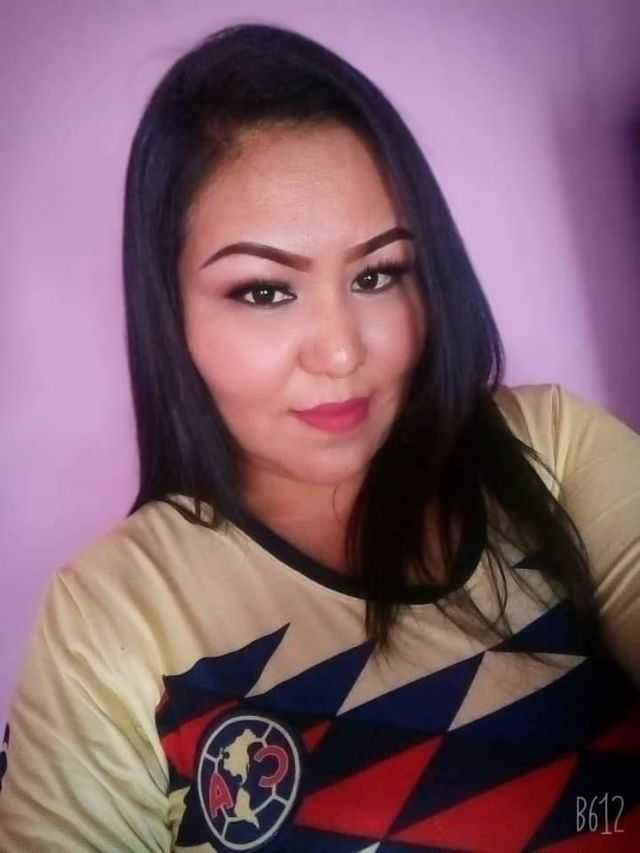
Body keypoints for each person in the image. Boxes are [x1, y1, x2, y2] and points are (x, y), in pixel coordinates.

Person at [0, 22, 638, 853]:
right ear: (171, 312)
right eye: (264, 290)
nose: (341, 352)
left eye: (378, 273)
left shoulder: (545, 446)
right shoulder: (114, 614)